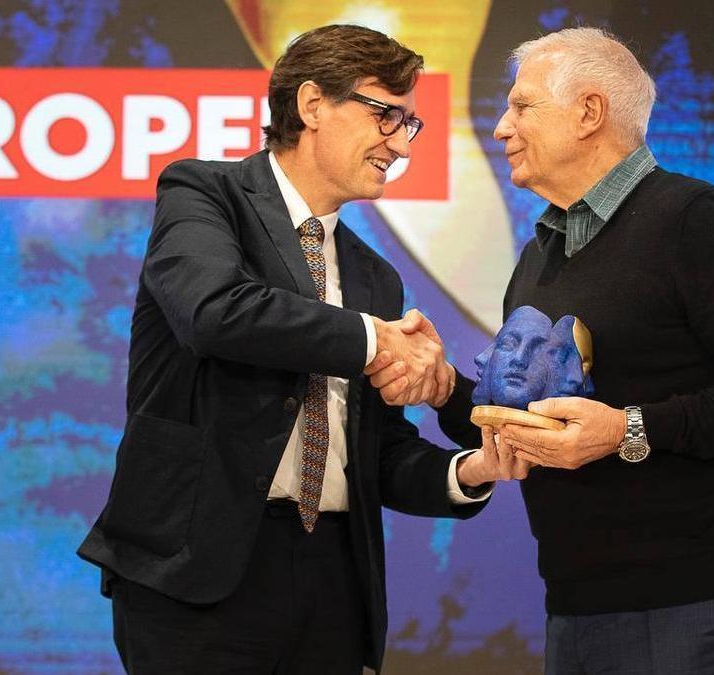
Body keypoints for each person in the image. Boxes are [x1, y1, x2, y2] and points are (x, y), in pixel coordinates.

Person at [77, 24, 524, 674]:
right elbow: (214, 311)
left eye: (411, 125)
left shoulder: (375, 276)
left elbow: (374, 450)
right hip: (198, 577)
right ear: (312, 104)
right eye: (386, 116)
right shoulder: (205, 195)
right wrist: (372, 340)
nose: (400, 144)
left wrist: (465, 472)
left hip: (334, 583)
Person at [434, 27, 714, 674]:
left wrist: (627, 429)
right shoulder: (540, 254)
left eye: (523, 106)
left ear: (589, 112)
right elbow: (530, 424)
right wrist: (440, 388)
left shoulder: (695, 221)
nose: (501, 126)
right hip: (572, 606)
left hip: (689, 608)